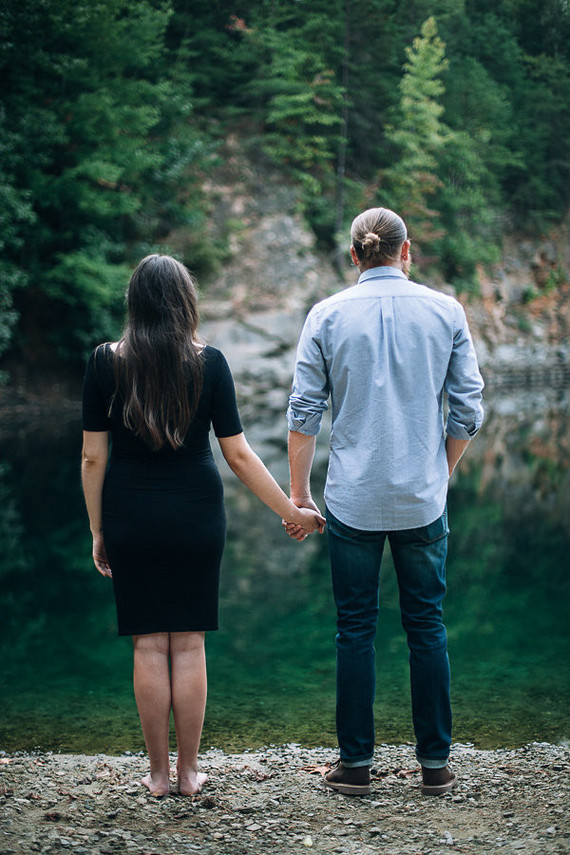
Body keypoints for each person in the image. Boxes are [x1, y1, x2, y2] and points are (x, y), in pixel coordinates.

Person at [81, 254, 324, 798]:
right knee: (187, 644)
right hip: (195, 514)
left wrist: (99, 529)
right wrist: (292, 511)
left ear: (134, 302)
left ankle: (158, 776)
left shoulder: (103, 363)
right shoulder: (209, 362)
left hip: (129, 514)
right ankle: (190, 774)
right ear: (186, 301)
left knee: (148, 644)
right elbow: (237, 455)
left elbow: (93, 459)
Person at [285, 207, 484, 796]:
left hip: (352, 499)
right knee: (427, 626)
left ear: (354, 256)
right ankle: (436, 766)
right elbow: (468, 410)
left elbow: (303, 413)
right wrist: (439, 475)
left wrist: (299, 496)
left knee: (355, 629)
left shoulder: (326, 314)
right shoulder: (446, 310)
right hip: (423, 499)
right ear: (406, 251)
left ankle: (355, 766)